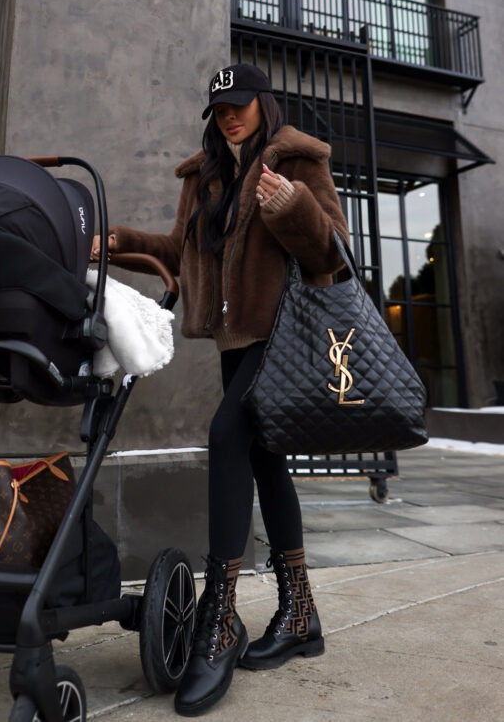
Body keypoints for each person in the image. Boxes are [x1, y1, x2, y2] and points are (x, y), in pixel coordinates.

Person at [91, 63, 348, 717]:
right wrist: (114, 242)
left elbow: (333, 251)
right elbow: (179, 251)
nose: (229, 115)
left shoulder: (296, 161)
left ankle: (221, 615)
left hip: (283, 337)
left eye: (238, 103)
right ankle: (300, 613)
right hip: (237, 346)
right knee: (264, 459)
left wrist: (290, 206)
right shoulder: (205, 176)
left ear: (262, 101)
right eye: (219, 108)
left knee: (225, 437)